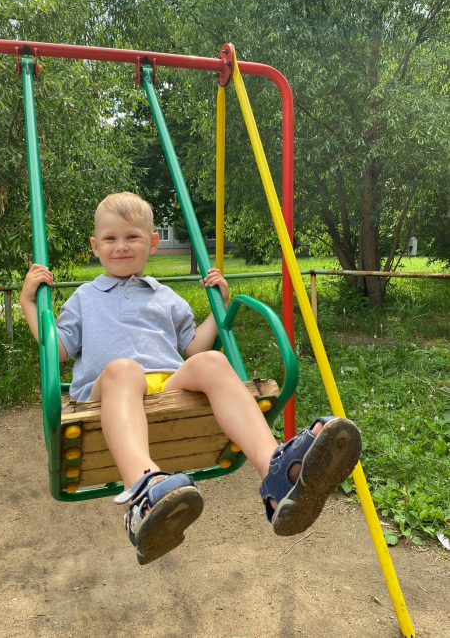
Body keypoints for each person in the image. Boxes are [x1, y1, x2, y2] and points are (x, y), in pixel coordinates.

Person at [20, 192, 362, 565]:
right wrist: (28, 304)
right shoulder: (84, 298)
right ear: (94, 246)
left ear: (153, 242)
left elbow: (194, 347)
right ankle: (143, 492)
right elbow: (57, 351)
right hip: (109, 393)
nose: (121, 246)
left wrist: (220, 309)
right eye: (110, 238)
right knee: (124, 369)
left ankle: (276, 471)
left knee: (212, 360)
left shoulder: (166, 297)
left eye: (132, 237)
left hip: (167, 387)